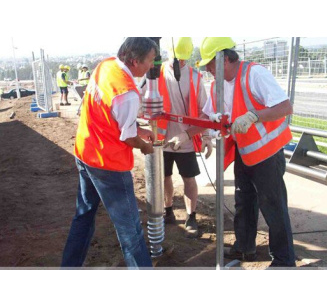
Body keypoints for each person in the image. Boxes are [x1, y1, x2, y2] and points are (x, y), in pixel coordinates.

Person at [61, 37, 159, 269]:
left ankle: (68, 268)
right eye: (150, 61)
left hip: (86, 153)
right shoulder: (127, 92)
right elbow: (127, 137)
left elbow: (110, 114)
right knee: (130, 230)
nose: (152, 66)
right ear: (135, 61)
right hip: (108, 164)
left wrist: (139, 129)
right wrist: (145, 146)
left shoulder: (105, 66)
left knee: (83, 216)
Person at [199, 37, 296, 267]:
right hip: (245, 152)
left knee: (273, 206)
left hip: (268, 153)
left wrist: (254, 115)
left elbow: (285, 107)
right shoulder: (217, 86)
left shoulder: (254, 74)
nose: (208, 69)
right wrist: (190, 134)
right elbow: (208, 117)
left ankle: (284, 261)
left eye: (210, 63)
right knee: (244, 200)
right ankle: (245, 247)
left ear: (225, 58)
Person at [147, 37, 213, 238]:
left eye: (185, 59)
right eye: (178, 59)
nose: (181, 63)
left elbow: (205, 111)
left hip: (185, 140)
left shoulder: (194, 77)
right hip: (162, 139)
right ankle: (168, 211)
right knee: (164, 177)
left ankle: (191, 216)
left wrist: (207, 136)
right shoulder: (154, 75)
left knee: (189, 178)